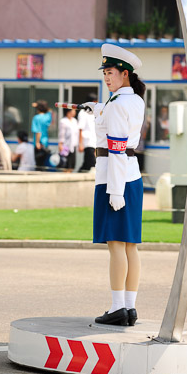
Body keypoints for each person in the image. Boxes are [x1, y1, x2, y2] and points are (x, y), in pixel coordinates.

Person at [83, 43, 145, 327]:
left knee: (116, 246)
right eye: (104, 73)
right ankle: (129, 308)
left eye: (110, 72)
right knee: (130, 246)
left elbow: (117, 149)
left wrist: (115, 190)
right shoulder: (130, 101)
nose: (106, 78)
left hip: (114, 178)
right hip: (130, 175)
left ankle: (118, 307)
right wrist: (99, 111)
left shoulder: (118, 105)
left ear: (125, 73)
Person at [77, 92, 97, 172]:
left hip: (94, 141)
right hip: (87, 142)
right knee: (92, 163)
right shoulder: (83, 113)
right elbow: (80, 129)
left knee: (87, 164)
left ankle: (80, 173)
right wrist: (80, 143)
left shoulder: (95, 113)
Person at [31, 100, 52, 169]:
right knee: (44, 164)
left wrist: (37, 142)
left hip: (38, 144)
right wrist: (40, 105)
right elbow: (50, 110)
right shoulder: (48, 116)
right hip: (45, 143)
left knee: (38, 165)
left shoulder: (36, 118)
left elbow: (38, 131)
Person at [58, 108, 79, 172]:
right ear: (68, 111)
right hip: (66, 146)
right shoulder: (63, 121)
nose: (75, 111)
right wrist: (60, 145)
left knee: (72, 164)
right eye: (73, 110)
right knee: (65, 164)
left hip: (73, 145)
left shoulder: (75, 121)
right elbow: (62, 134)